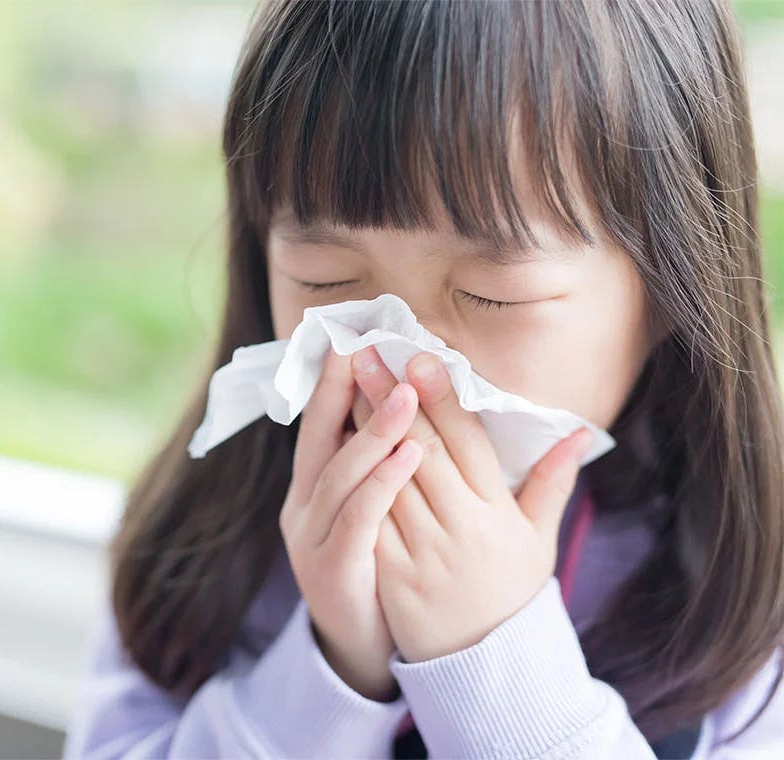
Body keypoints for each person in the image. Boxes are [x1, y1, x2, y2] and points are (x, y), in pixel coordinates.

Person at [61, 0, 784, 756]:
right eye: (325, 280)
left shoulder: (750, 600)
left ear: (675, 286)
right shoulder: (204, 538)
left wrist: (492, 658)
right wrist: (333, 668)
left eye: (492, 294)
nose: (404, 366)